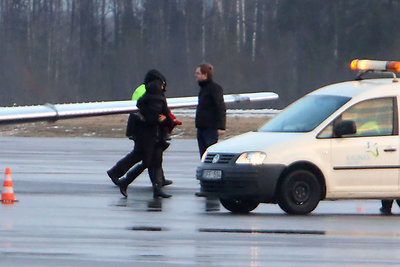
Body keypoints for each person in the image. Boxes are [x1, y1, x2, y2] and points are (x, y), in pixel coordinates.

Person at [107, 70, 173, 198]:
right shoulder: (148, 95)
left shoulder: (152, 95)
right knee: (145, 159)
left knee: (150, 159)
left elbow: (163, 114)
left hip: (151, 134)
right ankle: (121, 176)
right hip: (145, 134)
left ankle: (157, 186)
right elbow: (143, 114)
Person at [195, 63, 226, 158]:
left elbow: (220, 107)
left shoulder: (214, 88)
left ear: (205, 75)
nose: (196, 75)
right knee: (203, 156)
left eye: (198, 73)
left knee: (210, 155)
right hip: (201, 127)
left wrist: (221, 126)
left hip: (210, 128)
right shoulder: (203, 89)